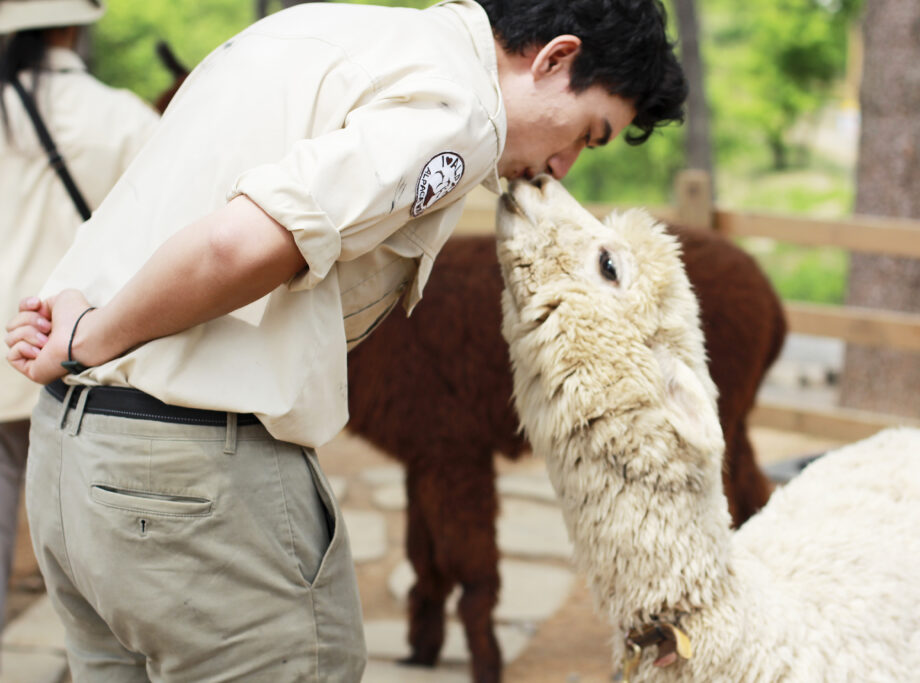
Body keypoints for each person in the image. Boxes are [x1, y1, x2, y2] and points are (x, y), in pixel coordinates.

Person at [4, 0, 686, 679]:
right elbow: (235, 245)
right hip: (187, 472)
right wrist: (92, 337)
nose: (562, 165)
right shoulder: (460, 108)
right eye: (586, 133)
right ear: (555, 58)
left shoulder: (319, 33)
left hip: (72, 459)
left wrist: (82, 319)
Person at [0, 0, 157, 645]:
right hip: (73, 353)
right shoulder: (122, 117)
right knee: (93, 531)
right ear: (75, 24)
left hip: (10, 344)